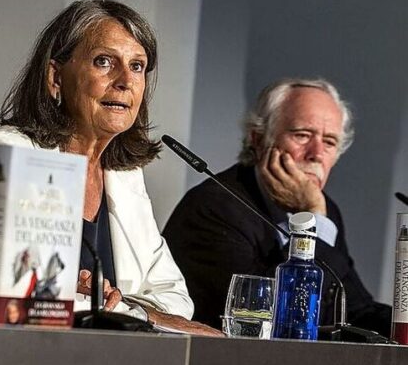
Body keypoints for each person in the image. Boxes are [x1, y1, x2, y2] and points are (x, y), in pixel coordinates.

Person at [0, 0, 220, 335]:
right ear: (56, 77)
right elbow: (15, 292)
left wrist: (124, 310)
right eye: (104, 62)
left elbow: (175, 299)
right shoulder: (15, 150)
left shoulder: (124, 175)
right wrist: (140, 315)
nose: (124, 81)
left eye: (137, 66)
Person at [163, 78, 391, 335]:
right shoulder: (213, 207)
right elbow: (266, 318)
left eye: (329, 142)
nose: (316, 153)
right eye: (302, 135)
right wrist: (314, 216)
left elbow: (356, 309)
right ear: (259, 140)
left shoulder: (326, 210)